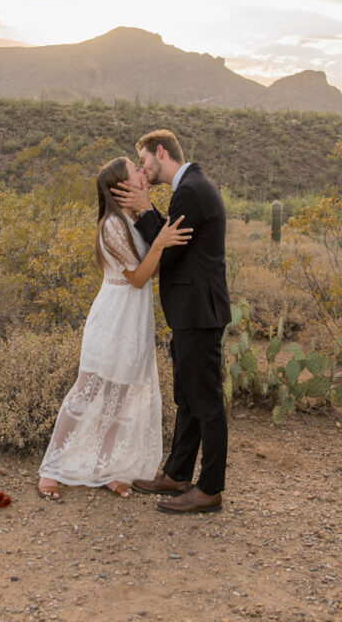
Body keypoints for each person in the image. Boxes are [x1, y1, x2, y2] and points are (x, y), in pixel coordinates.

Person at [37, 156, 191, 501]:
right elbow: (137, 278)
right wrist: (161, 243)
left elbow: (147, 271)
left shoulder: (135, 219)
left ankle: (105, 468)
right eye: (135, 170)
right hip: (113, 316)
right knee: (88, 389)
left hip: (134, 318)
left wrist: (159, 239)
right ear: (120, 186)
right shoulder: (111, 226)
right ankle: (50, 470)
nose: (142, 172)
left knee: (120, 395)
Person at [112, 130, 231, 514]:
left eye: (144, 161)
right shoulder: (191, 188)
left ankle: (210, 489)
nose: (144, 170)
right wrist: (150, 215)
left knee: (206, 401)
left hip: (198, 313)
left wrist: (146, 210)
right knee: (188, 398)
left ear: (160, 152)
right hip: (191, 313)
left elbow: (169, 253)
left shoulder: (191, 191)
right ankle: (178, 474)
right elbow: (172, 240)